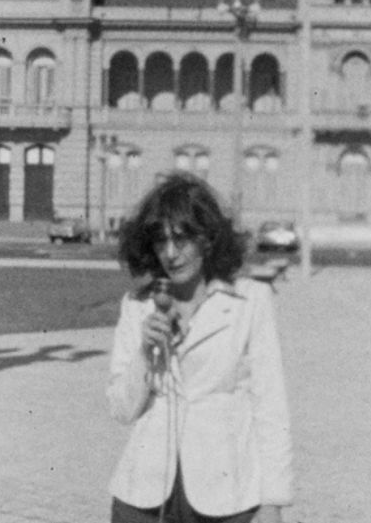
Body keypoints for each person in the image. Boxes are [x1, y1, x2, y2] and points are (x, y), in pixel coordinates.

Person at [106, 172, 293, 523]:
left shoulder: (250, 301)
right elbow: (121, 410)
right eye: (160, 241)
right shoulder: (138, 305)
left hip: (227, 496)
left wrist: (273, 501)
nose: (171, 254)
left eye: (181, 239)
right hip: (145, 496)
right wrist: (144, 353)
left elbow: (271, 407)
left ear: (206, 239)